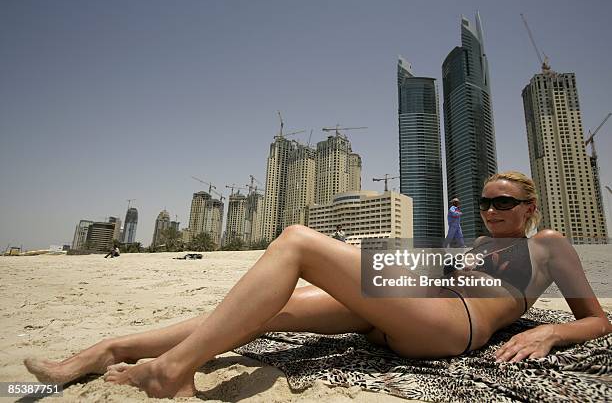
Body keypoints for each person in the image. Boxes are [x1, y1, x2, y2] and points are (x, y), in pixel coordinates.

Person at [24, 171, 611, 398]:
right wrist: (380, 264)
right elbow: (434, 271)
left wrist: (555, 332)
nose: (490, 210)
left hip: (451, 326)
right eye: (484, 202)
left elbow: (599, 319)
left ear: (530, 208)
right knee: (268, 310)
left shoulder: (548, 245)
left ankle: (174, 369)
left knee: (298, 241)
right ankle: (106, 351)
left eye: (503, 202)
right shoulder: (479, 247)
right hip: (415, 295)